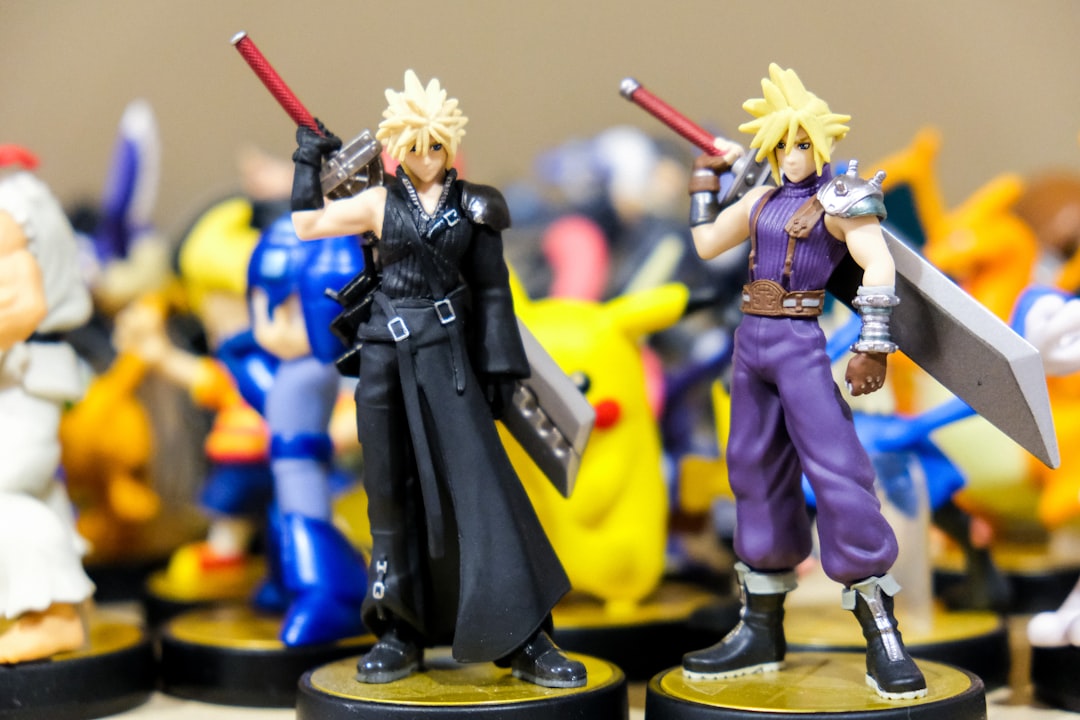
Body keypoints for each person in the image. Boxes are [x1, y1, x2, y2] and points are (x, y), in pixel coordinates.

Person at [289, 70, 586, 688]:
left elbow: (494, 292)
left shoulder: (476, 204)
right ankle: (398, 630)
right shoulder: (377, 203)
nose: (426, 158)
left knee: (484, 491)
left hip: (450, 359)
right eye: (415, 147)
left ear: (450, 145)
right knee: (388, 495)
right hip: (385, 359)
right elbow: (307, 225)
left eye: (436, 146)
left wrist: (500, 370)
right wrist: (306, 161)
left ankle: (525, 637)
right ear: (396, 148)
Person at [680, 64, 926, 700]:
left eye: (802, 144)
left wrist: (873, 344)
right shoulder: (760, 200)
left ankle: (881, 629)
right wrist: (704, 184)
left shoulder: (843, 200)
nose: (792, 156)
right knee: (753, 470)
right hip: (751, 342)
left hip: (797, 340)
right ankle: (760, 627)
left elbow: (878, 266)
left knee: (838, 471)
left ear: (821, 144)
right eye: (783, 145)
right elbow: (707, 244)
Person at [0, 160, 95, 663]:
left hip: (26, 371)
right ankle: (72, 599)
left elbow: (22, 305)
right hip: (22, 374)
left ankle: (52, 616)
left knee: (6, 490)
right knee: (37, 489)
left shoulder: (10, 212)